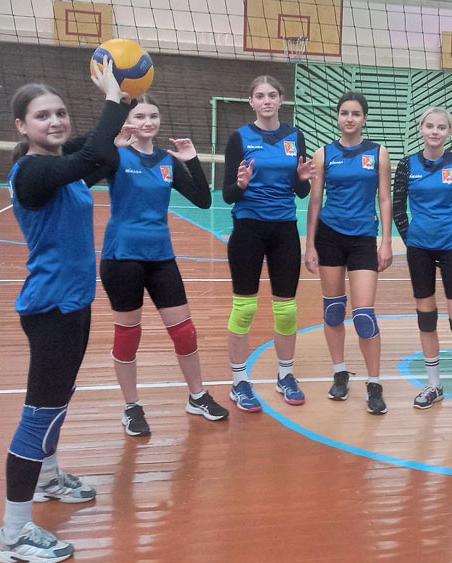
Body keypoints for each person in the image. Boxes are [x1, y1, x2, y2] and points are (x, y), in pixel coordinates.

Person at [0, 60, 128, 563]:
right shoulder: (33, 172)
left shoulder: (61, 161)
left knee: (59, 400)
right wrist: (111, 97)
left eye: (60, 113)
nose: (55, 121)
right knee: (38, 417)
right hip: (50, 308)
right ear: (21, 127)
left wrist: (127, 99)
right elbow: (93, 152)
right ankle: (11, 536)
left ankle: (47, 478)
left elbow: (101, 154)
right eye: (42, 115)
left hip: (74, 303)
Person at [95, 94, 228, 436]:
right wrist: (110, 146)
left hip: (161, 257)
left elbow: (203, 200)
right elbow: (85, 175)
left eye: (153, 116)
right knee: (128, 335)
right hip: (122, 257)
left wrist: (192, 159)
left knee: (184, 331)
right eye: (140, 116)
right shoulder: (116, 155)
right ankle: (131, 406)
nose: (147, 122)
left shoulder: (166, 161)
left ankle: (197, 396)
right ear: (128, 121)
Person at [222, 75, 316, 412]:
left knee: (286, 310)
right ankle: (239, 382)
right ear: (251, 101)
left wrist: (302, 179)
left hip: (284, 230)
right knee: (245, 308)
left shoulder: (295, 136)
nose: (266, 101)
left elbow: (301, 191)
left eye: (272, 95)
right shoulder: (240, 138)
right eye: (260, 95)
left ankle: (285, 376)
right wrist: (241, 185)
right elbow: (228, 194)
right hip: (248, 228)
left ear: (281, 99)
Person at [393, 107, 452, 410]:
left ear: (449, 132)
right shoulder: (407, 165)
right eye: (430, 126)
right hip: (419, 248)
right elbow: (398, 209)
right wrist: (412, 240)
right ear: (420, 129)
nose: (435, 131)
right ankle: (434, 384)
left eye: (441, 127)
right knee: (427, 317)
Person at [305, 92, 392, 414]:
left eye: (356, 113)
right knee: (333, 310)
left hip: (363, 238)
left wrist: (387, 241)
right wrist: (309, 244)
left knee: (364, 315)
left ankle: (374, 382)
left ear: (364, 118)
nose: (350, 118)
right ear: (338, 117)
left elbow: (384, 198)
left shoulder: (378, 153)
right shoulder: (323, 154)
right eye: (344, 113)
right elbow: (315, 200)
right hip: (329, 236)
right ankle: (340, 372)